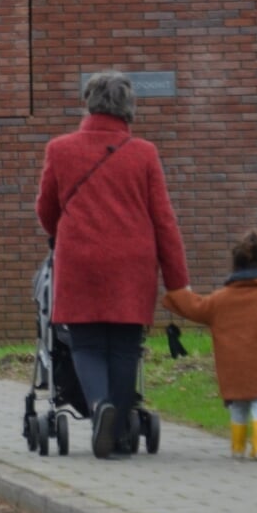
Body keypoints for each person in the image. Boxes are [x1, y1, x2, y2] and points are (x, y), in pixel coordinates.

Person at [36, 70, 190, 459]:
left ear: (89, 103)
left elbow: (46, 209)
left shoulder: (60, 149)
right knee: (125, 345)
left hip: (80, 260)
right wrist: (177, 282)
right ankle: (121, 429)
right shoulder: (144, 153)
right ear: (129, 109)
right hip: (132, 264)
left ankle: (100, 406)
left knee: (85, 341)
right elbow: (164, 220)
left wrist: (66, 234)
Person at [161, 231, 257, 461]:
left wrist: (175, 293)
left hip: (232, 369)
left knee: (238, 406)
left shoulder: (220, 299)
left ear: (235, 267)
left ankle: (237, 447)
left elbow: (195, 306)